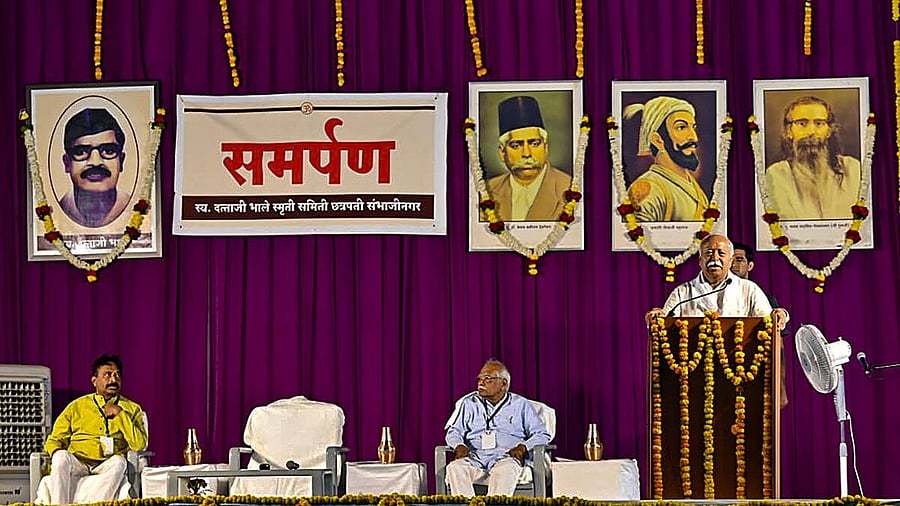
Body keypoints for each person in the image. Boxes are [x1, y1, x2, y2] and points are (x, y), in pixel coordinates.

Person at [43, 354, 147, 505]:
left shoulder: (132, 409)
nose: (113, 379)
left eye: (117, 375)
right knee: (60, 457)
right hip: (78, 461)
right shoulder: (77, 406)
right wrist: (56, 454)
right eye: (107, 375)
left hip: (107, 463)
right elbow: (54, 440)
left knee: (119, 462)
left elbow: (139, 445)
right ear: (94, 381)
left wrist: (120, 414)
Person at [444, 359, 551, 496]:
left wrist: (523, 447)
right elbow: (454, 431)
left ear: (503, 384)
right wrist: (458, 445)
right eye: (479, 379)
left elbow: (542, 434)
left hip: (505, 457)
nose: (480, 383)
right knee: (455, 468)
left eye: (487, 378)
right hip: (474, 457)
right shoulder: (469, 403)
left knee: (506, 470)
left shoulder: (521, 405)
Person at [644, 234, 789, 330]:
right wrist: (658, 316)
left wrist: (780, 315)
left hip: (739, 365)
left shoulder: (749, 289)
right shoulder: (683, 292)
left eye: (721, 253)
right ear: (700, 261)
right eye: (708, 253)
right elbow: (663, 323)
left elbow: (769, 323)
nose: (714, 258)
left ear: (730, 261)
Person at [765, 95, 861, 219]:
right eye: (802, 123)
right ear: (789, 131)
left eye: (819, 123)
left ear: (829, 131)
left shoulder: (852, 169)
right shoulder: (777, 174)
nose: (811, 131)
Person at [485, 96, 572, 221]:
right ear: (502, 153)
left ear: (546, 148)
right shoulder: (487, 191)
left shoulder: (569, 188)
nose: (527, 153)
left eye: (534, 143)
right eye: (516, 145)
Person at [624, 96, 710, 222]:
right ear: (658, 140)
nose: (694, 137)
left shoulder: (690, 183)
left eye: (693, 127)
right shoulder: (646, 188)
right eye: (681, 127)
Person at [731, 241, 790, 408]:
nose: (734, 264)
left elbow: (779, 344)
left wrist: (780, 385)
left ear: (750, 265)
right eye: (731, 259)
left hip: (754, 371)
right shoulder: (712, 294)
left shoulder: (761, 297)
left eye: (739, 259)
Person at [59, 108, 131, 228]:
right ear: (67, 163)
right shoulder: (56, 212)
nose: (96, 162)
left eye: (108, 151)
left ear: (121, 160)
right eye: (81, 152)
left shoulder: (135, 209)